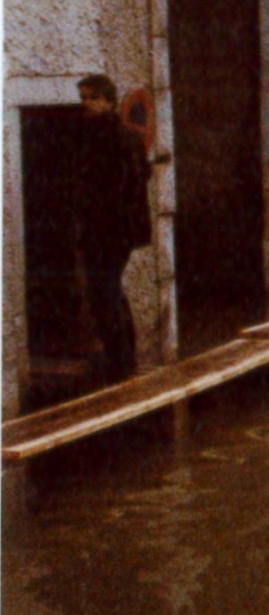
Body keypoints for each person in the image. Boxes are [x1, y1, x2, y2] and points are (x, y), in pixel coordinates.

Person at [73, 73, 152, 385]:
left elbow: (124, 186)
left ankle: (121, 364)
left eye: (92, 98)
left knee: (104, 293)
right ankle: (123, 358)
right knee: (110, 292)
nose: (86, 104)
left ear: (108, 100)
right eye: (83, 98)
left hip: (112, 230)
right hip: (106, 230)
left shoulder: (115, 136)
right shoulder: (93, 134)